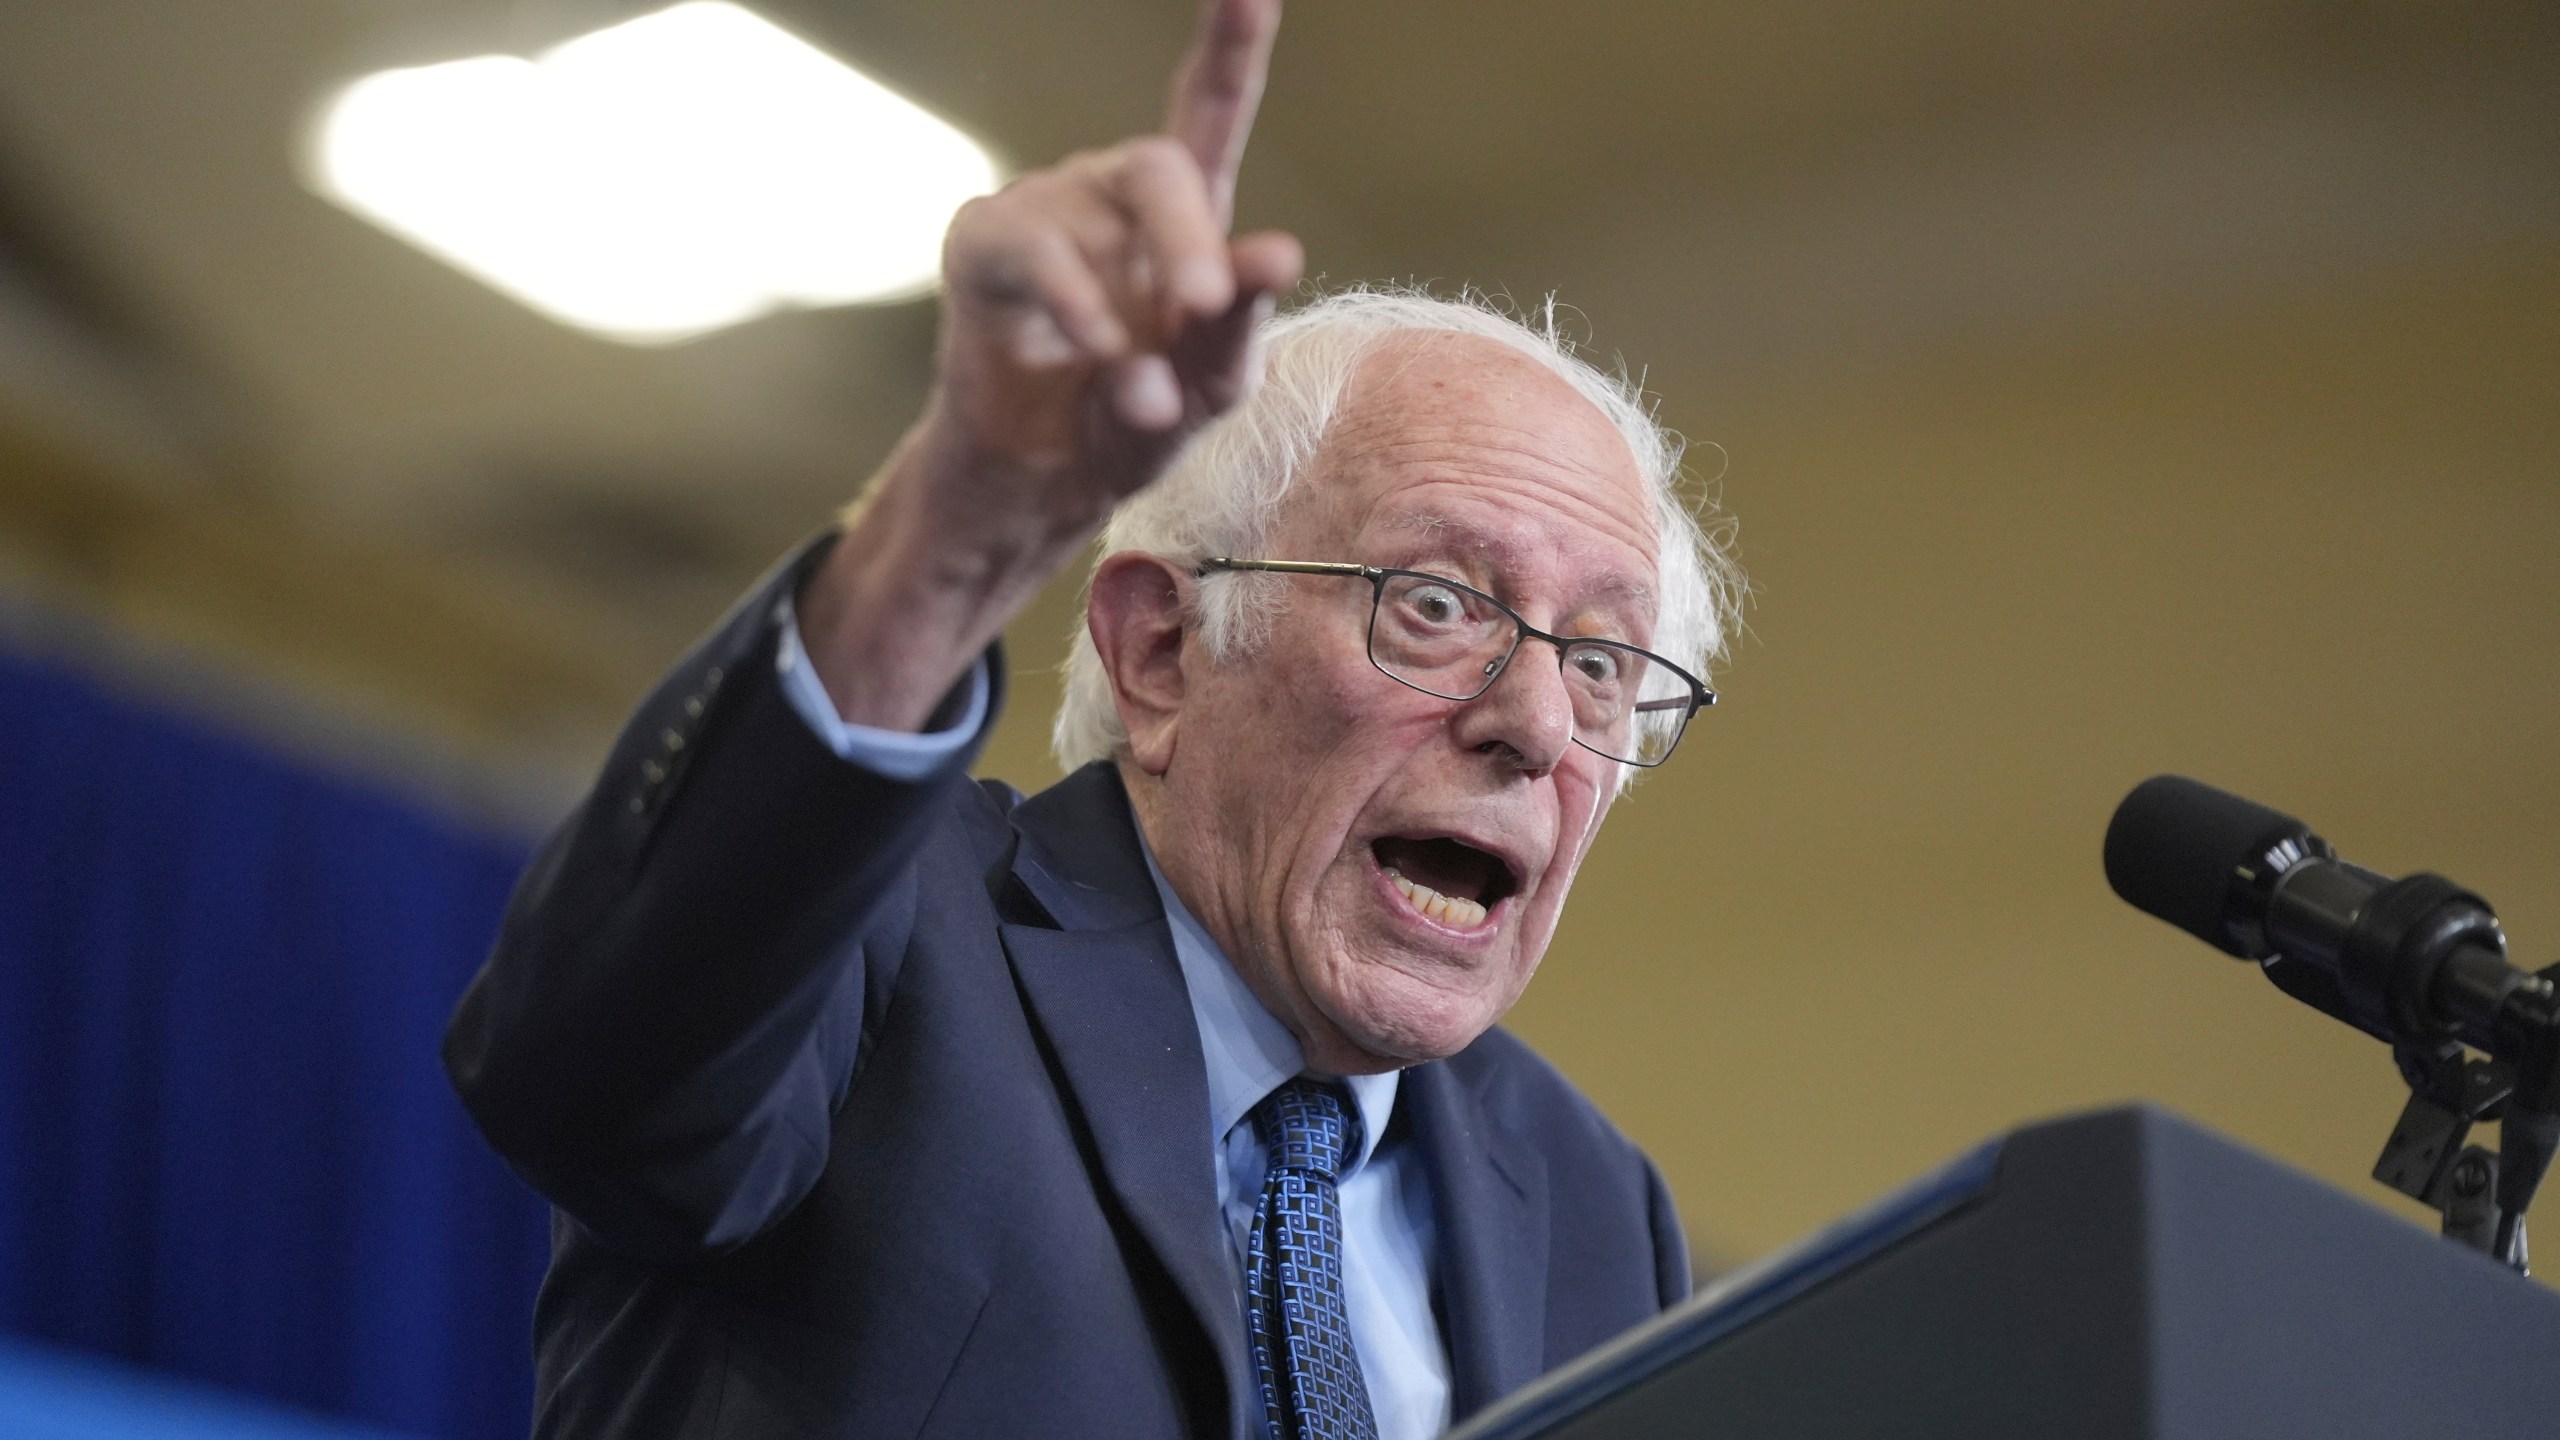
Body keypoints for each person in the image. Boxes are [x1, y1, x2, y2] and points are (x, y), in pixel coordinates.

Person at [442, 1, 1742, 1436]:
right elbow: (588, 1071)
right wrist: (958, 517)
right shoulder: (887, 943)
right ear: (1162, 654)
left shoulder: (1594, 1207)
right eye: (1433, 603)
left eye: (1608, 661)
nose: (1541, 723)